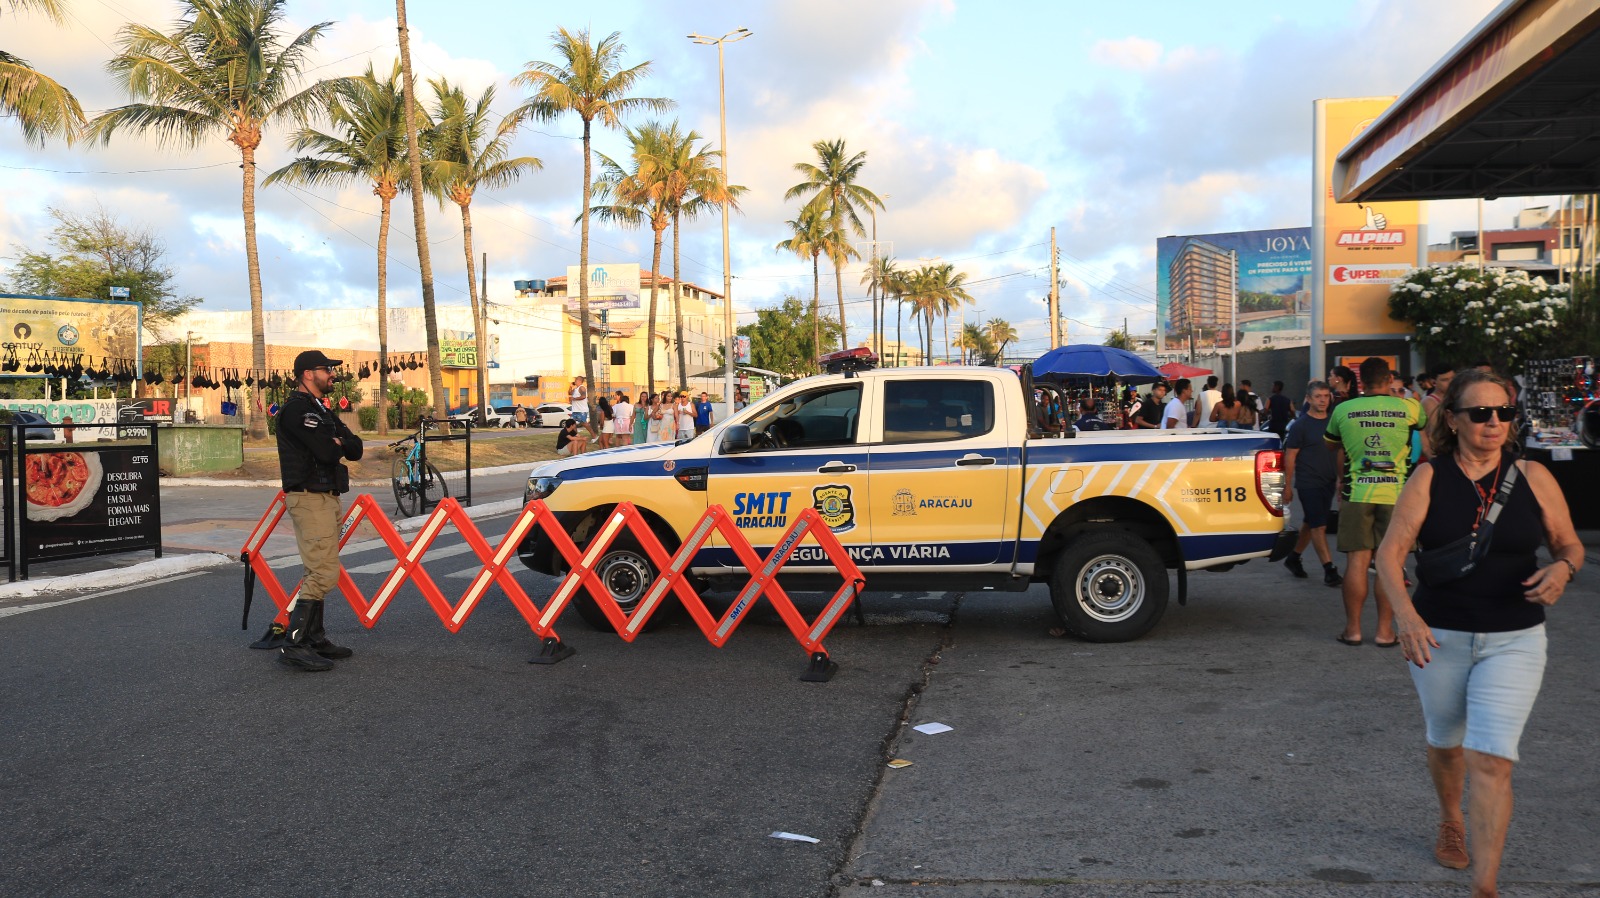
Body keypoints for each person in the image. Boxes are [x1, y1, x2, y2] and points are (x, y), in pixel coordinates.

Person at [1377, 369, 1582, 896]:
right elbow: (1390, 553)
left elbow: (1569, 545)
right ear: (1453, 419)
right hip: (1439, 634)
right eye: (1480, 413)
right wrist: (1406, 615)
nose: (1494, 423)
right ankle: (1451, 816)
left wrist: (1563, 570)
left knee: (1491, 758)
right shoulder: (1429, 476)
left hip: (1515, 637)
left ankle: (1484, 885)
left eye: (1504, 413)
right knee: (1446, 742)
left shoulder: (1534, 477)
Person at [1324, 356, 1427, 647]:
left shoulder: (1343, 408)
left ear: (1361, 381)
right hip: (1397, 495)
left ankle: (1353, 630)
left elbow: (1331, 443)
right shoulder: (1408, 407)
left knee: (1357, 561)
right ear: (1388, 380)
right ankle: (1385, 632)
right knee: (1390, 563)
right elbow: (1423, 424)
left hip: (1358, 493)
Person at [272, 350, 363, 673]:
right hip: (308, 498)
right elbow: (326, 451)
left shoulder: (320, 410)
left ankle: (314, 637)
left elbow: (356, 448)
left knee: (321, 568)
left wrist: (339, 441)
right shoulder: (297, 411)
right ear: (308, 374)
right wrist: (336, 442)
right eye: (327, 370)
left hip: (326, 496)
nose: (332, 375)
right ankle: (294, 644)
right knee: (324, 573)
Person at [1281, 381, 1343, 587]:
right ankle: (1329, 569)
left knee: (1311, 522)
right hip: (1308, 483)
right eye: (1318, 396)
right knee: (1319, 526)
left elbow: (1340, 451)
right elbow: (1290, 457)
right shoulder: (1300, 426)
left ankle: (1293, 557)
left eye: (1326, 396)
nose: (1323, 400)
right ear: (1309, 399)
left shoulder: (1334, 422)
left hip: (1328, 481)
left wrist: (1341, 479)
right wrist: (1287, 486)